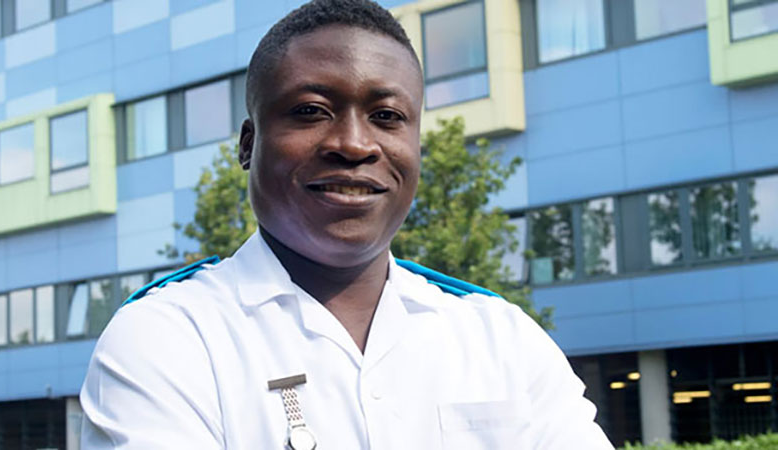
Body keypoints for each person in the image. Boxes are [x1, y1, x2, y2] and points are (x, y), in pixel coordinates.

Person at [80, 0, 614, 448]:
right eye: (311, 110)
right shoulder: (168, 337)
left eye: (387, 117)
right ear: (248, 145)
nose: (355, 145)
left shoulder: (501, 338)